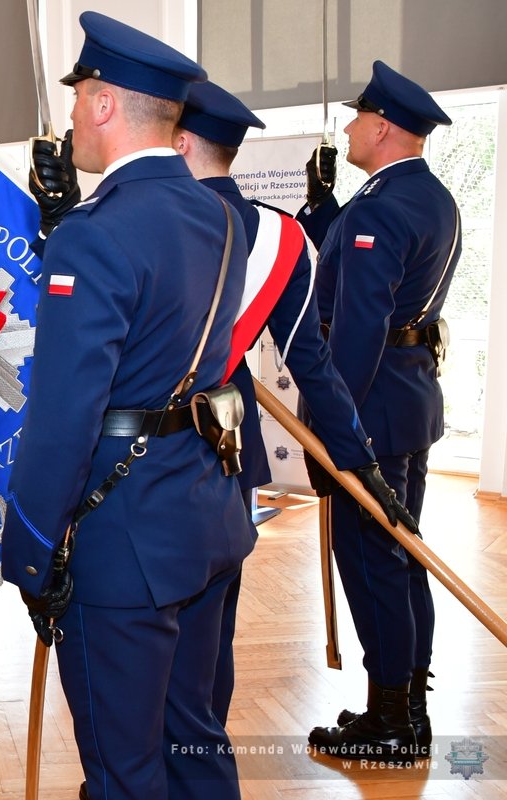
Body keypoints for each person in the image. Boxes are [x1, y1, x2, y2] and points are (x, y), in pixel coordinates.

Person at [1, 14, 252, 799]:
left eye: (79, 97)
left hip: (123, 544)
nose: (72, 114)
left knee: (124, 770)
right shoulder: (221, 215)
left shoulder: (94, 234)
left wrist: (31, 552)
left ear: (105, 103)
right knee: (196, 743)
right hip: (203, 514)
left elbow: (62, 418)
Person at [173, 80, 414, 728]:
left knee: (140, 663)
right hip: (229, 454)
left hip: (150, 465)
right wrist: (358, 461)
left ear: (179, 140)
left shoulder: (151, 225)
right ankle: (201, 763)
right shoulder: (279, 237)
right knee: (207, 656)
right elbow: (315, 365)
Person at [294, 61, 460, 762]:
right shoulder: (427, 199)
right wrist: (326, 206)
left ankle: (390, 720)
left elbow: (357, 332)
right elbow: (368, 274)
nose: (350, 127)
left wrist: (335, 431)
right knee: (402, 557)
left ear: (384, 128)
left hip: (370, 413)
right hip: (408, 400)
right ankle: (406, 706)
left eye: (359, 117)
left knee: (374, 564)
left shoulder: (380, 211)